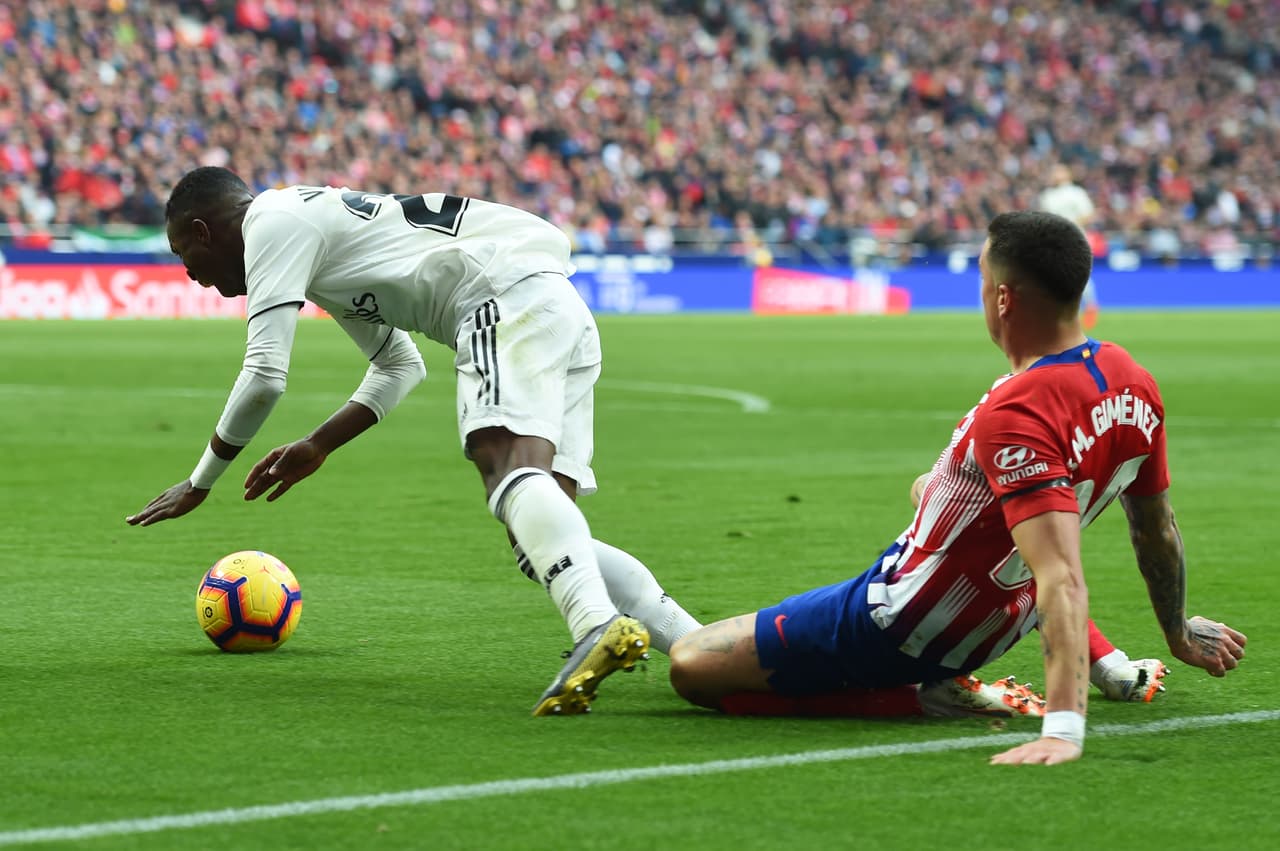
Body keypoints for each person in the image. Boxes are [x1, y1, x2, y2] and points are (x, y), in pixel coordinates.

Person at [668, 211, 1247, 764]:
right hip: (1000, 617)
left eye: (981, 279)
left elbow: (1061, 574)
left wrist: (1065, 729)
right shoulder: (1132, 382)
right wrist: (1177, 631)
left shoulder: (1019, 408)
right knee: (951, 498)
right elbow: (1156, 528)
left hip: (904, 621)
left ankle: (922, 695)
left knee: (692, 665)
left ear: (1002, 298)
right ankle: (1085, 666)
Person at [126, 167, 701, 715]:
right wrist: (320, 444)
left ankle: (595, 625)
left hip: (500, 298)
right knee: (542, 542)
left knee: (504, 465)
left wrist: (201, 482)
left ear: (203, 230)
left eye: (184, 254)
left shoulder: (270, 221)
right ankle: (693, 645)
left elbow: (264, 376)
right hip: (553, 306)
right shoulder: (316, 236)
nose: (191, 273)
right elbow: (399, 366)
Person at [1038, 163, 1101, 328]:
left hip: (1075, 237)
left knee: (1077, 273)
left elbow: (1089, 214)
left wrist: (1070, 225)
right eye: (1054, 171)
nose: (1055, 174)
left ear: (1067, 174)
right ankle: (1062, 310)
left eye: (1059, 171)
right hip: (1054, 239)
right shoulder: (1048, 195)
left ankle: (1091, 306)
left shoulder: (1076, 193)